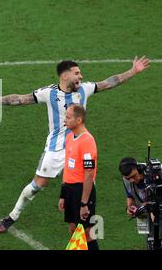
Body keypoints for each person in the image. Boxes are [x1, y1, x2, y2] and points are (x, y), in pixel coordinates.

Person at [0, 57, 151, 232]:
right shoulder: (49, 93)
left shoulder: (85, 89)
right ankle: (13, 215)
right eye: (77, 73)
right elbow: (20, 99)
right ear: (65, 76)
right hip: (56, 148)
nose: (80, 76)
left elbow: (110, 82)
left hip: (79, 147)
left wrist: (133, 71)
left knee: (87, 184)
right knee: (37, 186)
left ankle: (86, 223)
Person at [58, 104, 99, 250]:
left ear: (79, 120)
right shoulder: (70, 137)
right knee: (73, 229)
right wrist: (63, 194)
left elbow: (89, 174)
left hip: (82, 191)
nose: (64, 120)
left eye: (68, 117)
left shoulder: (87, 141)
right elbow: (68, 168)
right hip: (70, 190)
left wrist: (84, 203)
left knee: (87, 233)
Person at [119, 157, 162, 249]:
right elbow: (130, 195)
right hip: (150, 218)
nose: (131, 180)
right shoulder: (126, 179)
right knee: (152, 242)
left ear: (139, 169)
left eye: (133, 176)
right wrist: (129, 207)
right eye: (128, 178)